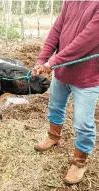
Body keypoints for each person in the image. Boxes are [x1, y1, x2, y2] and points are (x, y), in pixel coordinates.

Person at [32, 1, 99, 184]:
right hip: (62, 72)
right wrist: (42, 58)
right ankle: (54, 136)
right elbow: (56, 30)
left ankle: (79, 162)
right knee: (55, 106)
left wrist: (52, 62)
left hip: (87, 77)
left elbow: (84, 42)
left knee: (83, 123)